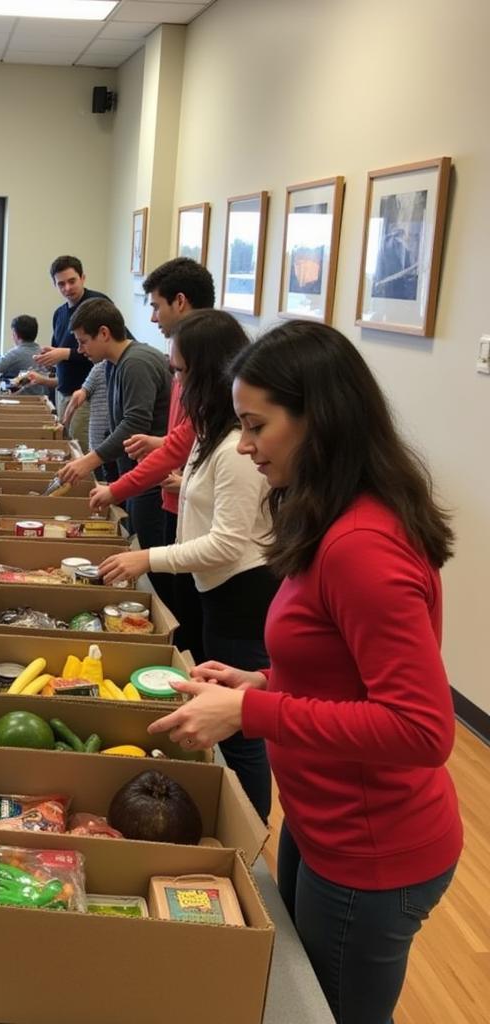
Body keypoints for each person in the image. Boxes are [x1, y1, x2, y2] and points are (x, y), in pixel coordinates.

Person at [146, 320, 462, 1024]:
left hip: (372, 846)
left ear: (318, 420)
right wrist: (261, 683)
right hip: (321, 818)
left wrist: (255, 714)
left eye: (257, 425)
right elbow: (343, 673)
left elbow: (421, 729)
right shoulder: (331, 515)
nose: (246, 444)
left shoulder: (362, 546)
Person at [96, 309, 275, 821]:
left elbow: (226, 544)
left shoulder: (234, 449)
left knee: (240, 730)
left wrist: (145, 558)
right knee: (224, 711)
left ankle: (250, 826)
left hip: (242, 593)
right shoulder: (209, 431)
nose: (175, 382)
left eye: (180, 372)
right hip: (216, 589)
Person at [89, 256, 216, 644]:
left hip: (191, 513)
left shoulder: (200, 365)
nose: (153, 316)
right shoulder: (182, 357)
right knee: (181, 614)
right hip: (177, 499)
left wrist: (115, 488)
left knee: (191, 624)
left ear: (180, 302)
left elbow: (185, 441)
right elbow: (182, 438)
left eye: (156, 305)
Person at [57, 299, 171, 558]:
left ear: (105, 333)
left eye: (83, 341)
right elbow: (117, 423)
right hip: (133, 476)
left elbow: (134, 424)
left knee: (148, 553)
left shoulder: (136, 363)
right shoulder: (111, 365)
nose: (80, 349)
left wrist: (89, 460)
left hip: (152, 480)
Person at [33, 255, 120, 452]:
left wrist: (65, 354)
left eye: (72, 281)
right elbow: (60, 350)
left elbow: (107, 349)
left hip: (89, 395)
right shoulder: (59, 313)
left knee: (80, 450)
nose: (67, 288)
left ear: (83, 278)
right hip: (63, 392)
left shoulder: (97, 303)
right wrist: (50, 357)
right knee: (67, 445)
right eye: (61, 284)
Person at [0, 314, 50, 396]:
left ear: (15, 334)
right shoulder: (43, 352)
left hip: (22, 399)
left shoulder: (15, 353)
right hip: (42, 400)